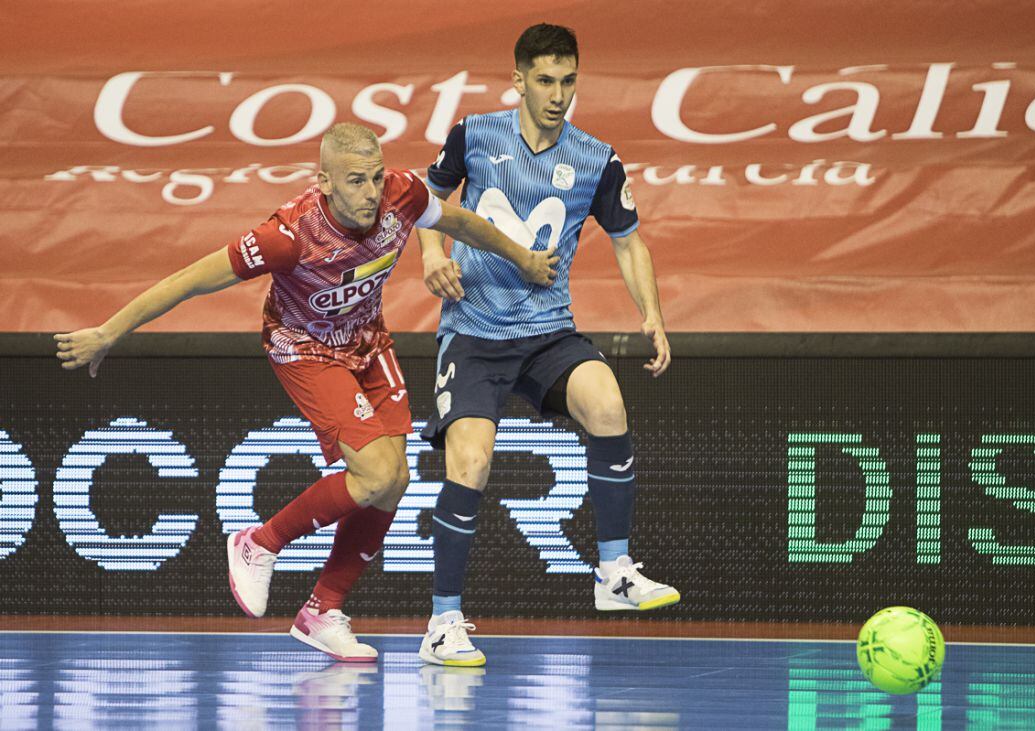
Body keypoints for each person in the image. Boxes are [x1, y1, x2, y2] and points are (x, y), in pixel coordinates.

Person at [54, 122, 557, 663]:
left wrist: (522, 259)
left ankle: (322, 610)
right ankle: (259, 542)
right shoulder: (288, 236)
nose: (370, 193)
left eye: (376, 178)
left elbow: (460, 221)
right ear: (324, 182)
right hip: (304, 346)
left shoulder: (402, 195)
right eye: (356, 181)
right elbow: (190, 280)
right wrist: (108, 332)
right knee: (375, 473)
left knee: (394, 481)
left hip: (366, 338)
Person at [415, 24, 678, 667]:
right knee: (470, 464)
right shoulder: (474, 134)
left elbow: (628, 240)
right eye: (545, 81)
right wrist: (429, 252)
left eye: (568, 82)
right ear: (519, 81)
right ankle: (443, 621)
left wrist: (653, 314)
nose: (558, 95)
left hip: (547, 334)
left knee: (608, 406)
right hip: (474, 333)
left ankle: (614, 573)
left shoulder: (597, 158)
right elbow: (424, 200)